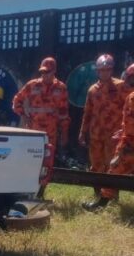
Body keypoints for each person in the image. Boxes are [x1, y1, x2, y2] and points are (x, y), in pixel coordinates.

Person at [78, 54, 128, 211]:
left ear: (112, 69)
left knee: (112, 167)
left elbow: (129, 109)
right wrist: (82, 132)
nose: (104, 73)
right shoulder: (93, 90)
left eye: (107, 70)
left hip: (114, 136)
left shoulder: (121, 87)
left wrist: (125, 129)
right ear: (98, 71)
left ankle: (112, 198)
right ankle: (98, 196)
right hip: (96, 135)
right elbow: (87, 112)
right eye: (101, 70)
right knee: (96, 165)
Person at [12, 57, 70, 189]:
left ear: (54, 71)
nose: (44, 75)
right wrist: (23, 114)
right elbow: (17, 100)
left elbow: (64, 112)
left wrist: (64, 133)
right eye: (43, 72)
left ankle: (42, 190)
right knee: (31, 159)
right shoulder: (32, 85)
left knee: (47, 163)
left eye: (48, 72)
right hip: (34, 131)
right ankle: (28, 187)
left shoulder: (61, 88)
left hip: (51, 133)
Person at [96, 62, 134, 208]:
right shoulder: (130, 96)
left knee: (114, 170)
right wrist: (123, 130)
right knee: (114, 170)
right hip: (127, 139)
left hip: (129, 142)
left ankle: (102, 203)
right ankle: (103, 202)